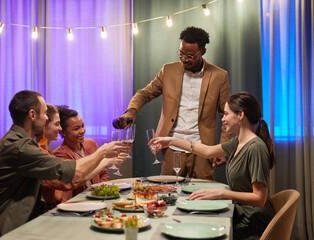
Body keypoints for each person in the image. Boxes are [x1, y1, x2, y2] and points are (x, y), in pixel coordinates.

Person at [0, 90, 128, 240]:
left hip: (20, 226)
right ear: (33, 115)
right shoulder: (19, 148)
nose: (47, 118)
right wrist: (102, 153)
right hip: (3, 232)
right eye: (45, 114)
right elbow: (72, 174)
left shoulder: (20, 143)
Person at [149, 92, 276, 239]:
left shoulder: (255, 147)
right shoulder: (238, 142)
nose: (222, 119)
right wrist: (171, 141)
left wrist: (222, 193)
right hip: (240, 215)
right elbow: (207, 151)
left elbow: (259, 198)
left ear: (240, 115)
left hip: (252, 225)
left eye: (226, 114)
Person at [116, 26, 231, 180]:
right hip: (170, 145)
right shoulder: (168, 70)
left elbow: (227, 114)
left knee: (204, 193)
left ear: (202, 52)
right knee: (167, 192)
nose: (184, 59)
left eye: (190, 56)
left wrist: (222, 148)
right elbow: (145, 93)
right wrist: (131, 111)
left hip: (203, 147)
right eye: (181, 53)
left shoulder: (219, 75)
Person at [37, 105, 125, 206]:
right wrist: (104, 161)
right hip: (80, 203)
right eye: (76, 128)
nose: (82, 131)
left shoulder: (91, 144)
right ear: (63, 132)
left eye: (82, 126)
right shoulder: (59, 154)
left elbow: (103, 174)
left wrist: (101, 192)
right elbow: (72, 183)